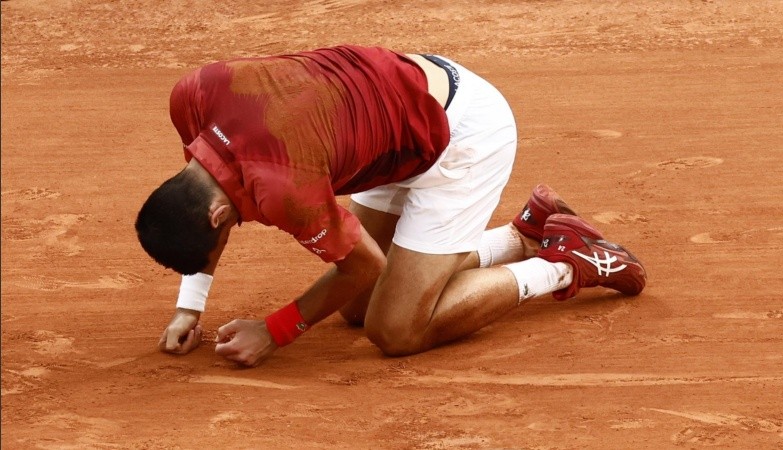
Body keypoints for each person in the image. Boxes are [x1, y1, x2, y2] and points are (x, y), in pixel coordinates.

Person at [135, 45, 647, 367]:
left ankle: (564, 263)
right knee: (356, 308)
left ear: (218, 217)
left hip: (461, 136)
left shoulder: (282, 188)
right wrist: (190, 306)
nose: (232, 232)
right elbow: (200, 207)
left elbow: (363, 266)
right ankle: (525, 233)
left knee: (394, 329)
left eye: (226, 235)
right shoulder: (193, 97)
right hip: (390, 113)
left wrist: (274, 331)